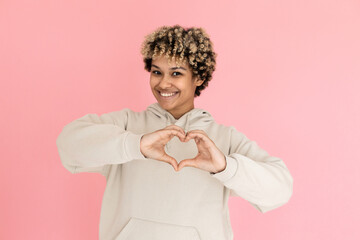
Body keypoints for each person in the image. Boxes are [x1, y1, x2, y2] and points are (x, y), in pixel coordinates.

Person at [56, 25, 293, 240]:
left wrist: (225, 167)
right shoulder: (127, 125)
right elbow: (68, 144)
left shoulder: (224, 139)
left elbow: (280, 190)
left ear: (198, 78)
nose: (163, 83)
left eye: (176, 73)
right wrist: (135, 145)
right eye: (157, 72)